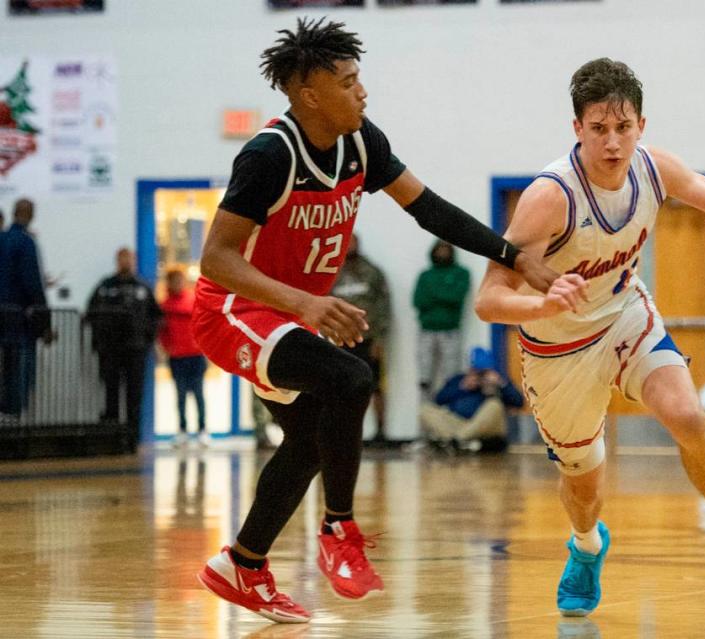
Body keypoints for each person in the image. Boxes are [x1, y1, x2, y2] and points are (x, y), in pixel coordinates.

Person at [191, 18, 556, 623]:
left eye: (360, 79)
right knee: (353, 378)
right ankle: (338, 530)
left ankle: (243, 564)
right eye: (348, 81)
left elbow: (429, 208)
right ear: (309, 94)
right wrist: (306, 303)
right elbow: (216, 258)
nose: (363, 92)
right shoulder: (268, 155)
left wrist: (513, 257)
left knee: (309, 441)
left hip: (287, 318)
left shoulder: (362, 143)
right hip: (236, 310)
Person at [475, 58, 705, 616]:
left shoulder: (655, 169)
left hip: (623, 317)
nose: (613, 143)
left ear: (641, 124)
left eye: (624, 127)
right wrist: (539, 302)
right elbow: (488, 298)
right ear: (577, 129)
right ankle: (587, 548)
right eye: (599, 129)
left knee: (687, 414)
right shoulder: (550, 198)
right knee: (584, 488)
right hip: (556, 349)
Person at [87, 247, 162, 453]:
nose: (125, 262)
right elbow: (91, 312)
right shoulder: (105, 286)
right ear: (116, 261)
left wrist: (148, 340)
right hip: (110, 350)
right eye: (122, 259)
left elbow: (156, 316)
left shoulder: (143, 288)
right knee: (111, 393)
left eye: (128, 259)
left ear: (134, 261)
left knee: (134, 396)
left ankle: (132, 439)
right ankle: (111, 439)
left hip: (136, 350)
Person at [330, 234, 391, 443]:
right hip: (339, 341)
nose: (350, 247)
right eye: (347, 243)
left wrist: (380, 339)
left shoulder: (372, 272)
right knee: (338, 388)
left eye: (353, 242)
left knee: (375, 387)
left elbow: (384, 307)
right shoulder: (332, 272)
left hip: (367, 340)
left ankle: (380, 432)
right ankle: (340, 432)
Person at [0, 198, 51, 420]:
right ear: (30, 215)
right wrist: (45, 323)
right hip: (20, 323)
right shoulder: (26, 243)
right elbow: (32, 284)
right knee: (20, 375)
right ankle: (14, 421)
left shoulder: (2, 239)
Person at [420, 346, 524, 452]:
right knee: (425, 410)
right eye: (477, 372)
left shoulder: (499, 382)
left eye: (484, 372)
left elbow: (519, 402)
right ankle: (464, 442)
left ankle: (457, 441)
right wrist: (462, 387)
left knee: (494, 404)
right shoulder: (459, 380)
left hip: (486, 428)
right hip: (458, 424)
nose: (480, 376)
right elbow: (438, 400)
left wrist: (501, 385)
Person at [413, 240, 470, 396]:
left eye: (446, 250)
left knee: (451, 376)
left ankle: (450, 412)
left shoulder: (461, 273)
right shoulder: (425, 275)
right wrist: (444, 295)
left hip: (450, 330)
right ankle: (425, 414)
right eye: (440, 250)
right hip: (426, 330)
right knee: (425, 378)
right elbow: (418, 301)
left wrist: (433, 293)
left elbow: (456, 297)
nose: (442, 253)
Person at [158, 268, 208, 448]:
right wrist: (167, 347)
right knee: (180, 396)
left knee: (198, 394)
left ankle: (202, 430)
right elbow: (162, 331)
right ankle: (182, 430)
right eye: (174, 281)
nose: (178, 284)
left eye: (180, 280)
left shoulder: (194, 301)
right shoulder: (164, 306)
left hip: (196, 356)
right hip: (177, 357)